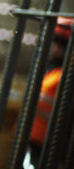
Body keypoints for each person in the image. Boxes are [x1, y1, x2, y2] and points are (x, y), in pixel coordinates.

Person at [25, 17, 73, 167]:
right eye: (53, 42)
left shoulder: (63, 76)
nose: (53, 48)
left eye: (60, 44)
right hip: (34, 140)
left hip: (54, 146)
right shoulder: (49, 70)